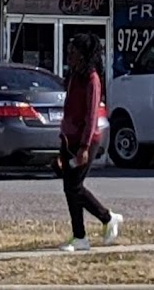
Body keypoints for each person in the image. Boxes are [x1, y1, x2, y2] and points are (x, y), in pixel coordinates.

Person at [57, 33, 122, 252]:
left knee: (74, 186)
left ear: (84, 55)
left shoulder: (92, 79)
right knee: (69, 188)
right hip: (69, 139)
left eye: (73, 53)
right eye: (68, 52)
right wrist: (62, 142)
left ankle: (106, 218)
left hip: (87, 139)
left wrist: (84, 147)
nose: (69, 57)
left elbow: (92, 116)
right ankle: (80, 237)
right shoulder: (74, 76)